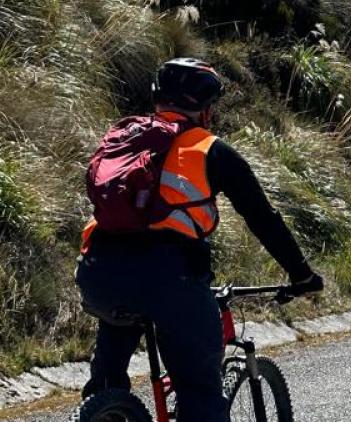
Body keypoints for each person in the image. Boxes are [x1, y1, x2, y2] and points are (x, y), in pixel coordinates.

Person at [76, 58, 323, 422]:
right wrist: (301, 274)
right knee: (200, 391)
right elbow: (262, 219)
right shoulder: (210, 150)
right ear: (205, 109)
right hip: (169, 278)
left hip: (99, 271)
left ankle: (103, 406)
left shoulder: (125, 139)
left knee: (107, 377)